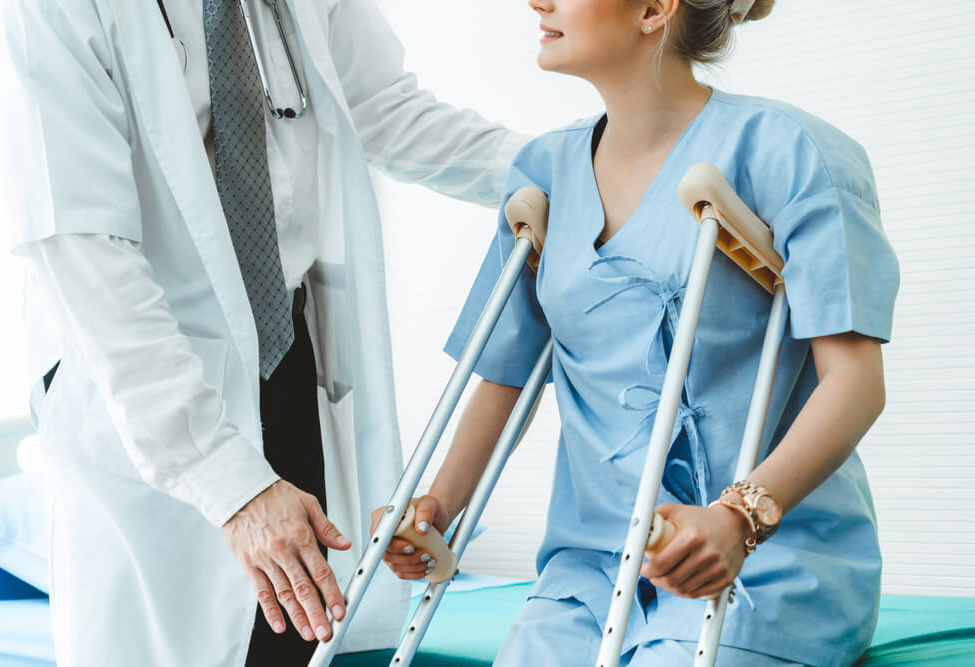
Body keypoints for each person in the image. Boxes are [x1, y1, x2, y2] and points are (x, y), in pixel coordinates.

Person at [0, 0, 529, 665]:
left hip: (287, 363)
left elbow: (384, 109)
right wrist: (230, 481)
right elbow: (85, 248)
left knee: (294, 645)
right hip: (149, 401)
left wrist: (583, 170)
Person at [376, 0, 900, 665]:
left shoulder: (790, 151)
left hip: (766, 562)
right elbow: (506, 371)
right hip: (590, 571)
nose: (537, 2)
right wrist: (434, 511)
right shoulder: (544, 172)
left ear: (655, 9)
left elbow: (856, 383)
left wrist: (741, 517)